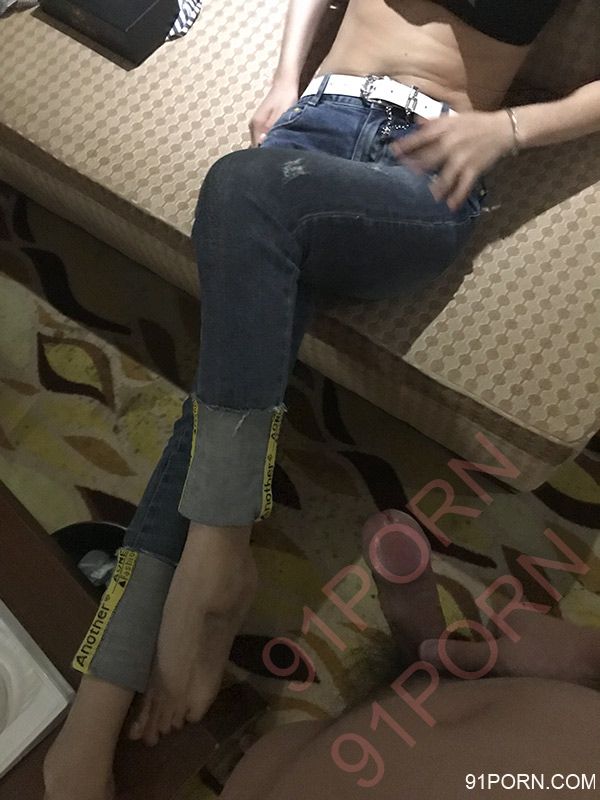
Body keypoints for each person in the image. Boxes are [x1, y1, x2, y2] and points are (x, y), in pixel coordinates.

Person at [42, 1, 600, 798]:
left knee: (241, 189)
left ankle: (215, 557)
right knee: (230, 380)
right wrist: (284, 81)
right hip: (313, 129)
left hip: (423, 168)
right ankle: (103, 699)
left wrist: (506, 131)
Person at [218, 510, 600, 800]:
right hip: (540, 706)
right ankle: (423, 651)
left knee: (266, 764)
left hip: (298, 771)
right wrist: (586, 654)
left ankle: (422, 653)